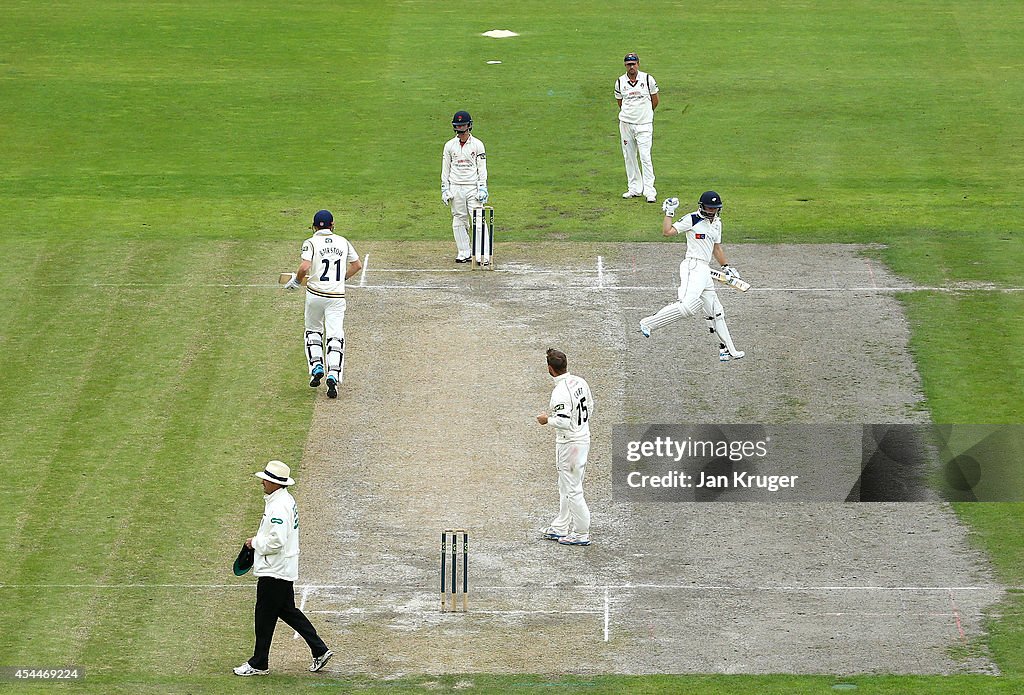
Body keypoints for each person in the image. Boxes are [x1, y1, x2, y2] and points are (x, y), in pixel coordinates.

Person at [233, 460, 334, 676]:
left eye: (266, 480)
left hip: (275, 570)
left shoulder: (278, 506)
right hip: (282, 567)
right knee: (288, 612)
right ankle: (319, 649)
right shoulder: (283, 500)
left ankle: (259, 663)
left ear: (276, 483)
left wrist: (255, 543)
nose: (262, 482)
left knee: (264, 616)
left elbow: (276, 540)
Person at [639, 191, 745, 362]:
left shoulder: (717, 223)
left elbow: (716, 248)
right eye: (709, 208)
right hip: (692, 266)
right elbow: (667, 232)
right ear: (702, 206)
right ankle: (648, 323)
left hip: (705, 270)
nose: (712, 211)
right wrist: (669, 213)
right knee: (688, 307)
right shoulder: (692, 219)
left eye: (715, 208)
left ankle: (727, 350)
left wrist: (726, 267)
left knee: (716, 312)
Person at [283, 210, 362, 398]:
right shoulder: (343, 242)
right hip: (336, 296)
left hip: (315, 295)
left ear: (313, 226)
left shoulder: (310, 242)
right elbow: (357, 265)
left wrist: (296, 281)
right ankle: (333, 374)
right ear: (332, 225)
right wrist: (342, 279)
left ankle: (317, 365)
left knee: (313, 331)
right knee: (335, 336)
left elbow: (304, 267)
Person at [536, 349, 594, 546]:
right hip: (582, 437)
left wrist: (546, 420)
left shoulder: (560, 393)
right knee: (565, 486)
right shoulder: (580, 381)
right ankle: (561, 526)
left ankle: (581, 533)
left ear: (550, 369)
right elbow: (591, 406)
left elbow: (563, 421)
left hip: (570, 444)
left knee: (573, 490)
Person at [440, 110, 489, 264]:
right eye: (458, 126)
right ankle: (464, 252)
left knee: (478, 219)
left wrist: (482, 187)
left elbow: (482, 168)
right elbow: (445, 168)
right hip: (455, 187)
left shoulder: (478, 145)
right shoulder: (449, 146)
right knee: (458, 220)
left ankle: (483, 254)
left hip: (472, 187)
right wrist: (445, 188)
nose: (461, 129)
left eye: (463, 126)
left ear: (469, 126)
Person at [615, 52, 659, 203]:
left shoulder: (647, 79)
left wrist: (644, 115)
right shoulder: (620, 82)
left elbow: (655, 100)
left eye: (633, 64)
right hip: (626, 124)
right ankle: (634, 188)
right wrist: (630, 116)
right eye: (628, 64)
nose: (631, 67)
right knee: (629, 156)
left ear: (638, 64)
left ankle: (649, 191)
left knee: (645, 156)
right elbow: (620, 102)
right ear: (625, 65)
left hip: (644, 124)